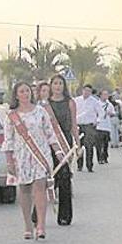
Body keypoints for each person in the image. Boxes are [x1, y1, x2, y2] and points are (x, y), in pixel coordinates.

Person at [2, 82, 64, 240]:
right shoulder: (12, 116)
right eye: (22, 91)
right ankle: (28, 224)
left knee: (40, 187)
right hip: (21, 156)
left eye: (28, 91)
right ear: (16, 95)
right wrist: (9, 161)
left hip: (40, 155)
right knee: (24, 189)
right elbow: (8, 139)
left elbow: (50, 133)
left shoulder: (40, 112)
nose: (25, 94)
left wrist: (58, 151)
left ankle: (41, 225)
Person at [47, 75, 77, 225]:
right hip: (48, 143)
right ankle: (37, 214)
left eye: (60, 83)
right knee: (47, 178)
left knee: (64, 177)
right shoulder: (45, 105)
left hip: (64, 141)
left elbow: (73, 124)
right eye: (55, 83)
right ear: (50, 86)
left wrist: (77, 144)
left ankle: (65, 215)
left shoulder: (70, 103)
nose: (58, 86)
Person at [74, 84, 103, 172]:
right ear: (82, 90)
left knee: (89, 146)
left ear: (91, 92)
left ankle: (89, 165)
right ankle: (79, 165)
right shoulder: (76, 100)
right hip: (78, 125)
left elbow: (101, 113)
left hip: (89, 125)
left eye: (89, 91)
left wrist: (97, 121)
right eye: (85, 90)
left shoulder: (94, 102)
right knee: (78, 146)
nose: (86, 92)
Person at [96, 90, 116, 164]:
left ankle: (105, 156)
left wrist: (110, 113)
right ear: (100, 95)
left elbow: (113, 113)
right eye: (104, 94)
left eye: (106, 95)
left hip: (107, 126)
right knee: (99, 143)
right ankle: (100, 158)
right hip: (98, 126)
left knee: (105, 143)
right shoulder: (97, 104)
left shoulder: (109, 104)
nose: (105, 96)